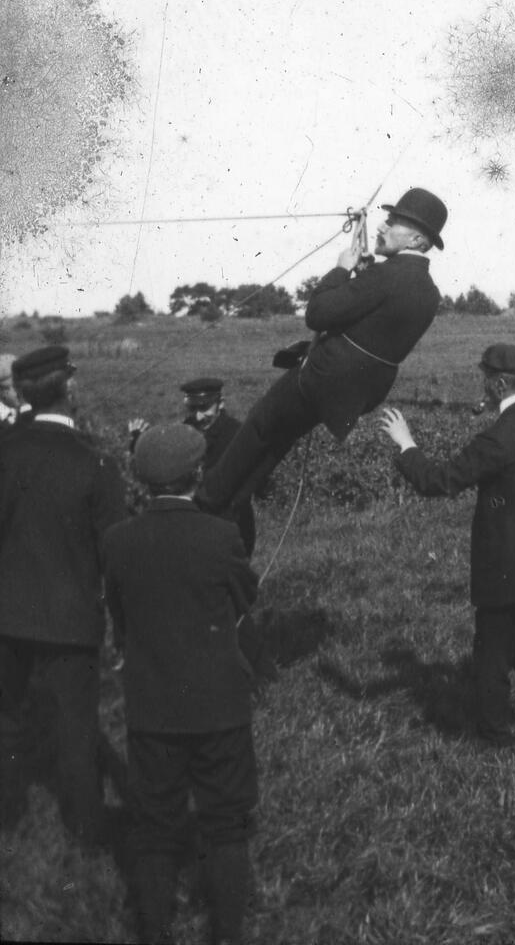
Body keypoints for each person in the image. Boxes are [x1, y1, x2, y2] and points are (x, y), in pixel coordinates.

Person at [379, 344, 515, 774]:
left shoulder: (497, 438)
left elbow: (440, 482)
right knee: (504, 651)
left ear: (497, 384)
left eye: (485, 378)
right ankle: (498, 730)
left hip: (511, 570)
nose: (482, 384)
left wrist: (406, 446)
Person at [197, 187, 446, 514]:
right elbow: (376, 323)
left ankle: (206, 501)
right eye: (386, 220)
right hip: (355, 395)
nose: (382, 227)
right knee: (278, 439)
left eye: (393, 223)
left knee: (260, 425)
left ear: (416, 241)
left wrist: (342, 270)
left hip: (324, 377)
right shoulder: (429, 291)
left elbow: (317, 314)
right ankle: (232, 509)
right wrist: (365, 278)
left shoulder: (385, 276)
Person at [103, 424, 259, 945]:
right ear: (197, 475)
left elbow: (121, 622)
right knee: (226, 824)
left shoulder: (118, 541)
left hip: (153, 707)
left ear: (143, 481)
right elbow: (245, 597)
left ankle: (155, 932)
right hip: (220, 706)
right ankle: (227, 934)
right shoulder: (221, 536)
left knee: (154, 831)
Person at [0, 345, 126, 845]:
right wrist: (124, 629)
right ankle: (86, 831)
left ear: (22, 392)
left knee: (6, 722)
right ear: (70, 388)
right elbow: (115, 555)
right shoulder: (97, 462)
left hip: (5, 617)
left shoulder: (4, 451)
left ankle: (6, 818)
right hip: (72, 623)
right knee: (77, 731)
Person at [131, 378, 257, 555]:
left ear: (220, 403)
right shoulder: (186, 429)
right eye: (193, 408)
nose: (198, 416)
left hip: (231, 526)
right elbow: (169, 465)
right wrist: (139, 442)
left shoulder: (237, 434)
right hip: (194, 527)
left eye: (204, 408)